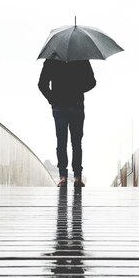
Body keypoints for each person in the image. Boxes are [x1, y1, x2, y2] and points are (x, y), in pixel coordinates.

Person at [38, 59, 96, 187]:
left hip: (59, 106)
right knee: (76, 142)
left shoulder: (51, 60)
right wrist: (77, 87)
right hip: (76, 105)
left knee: (61, 142)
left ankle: (63, 177)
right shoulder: (81, 58)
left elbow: (42, 84)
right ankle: (77, 177)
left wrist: (52, 98)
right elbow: (92, 82)